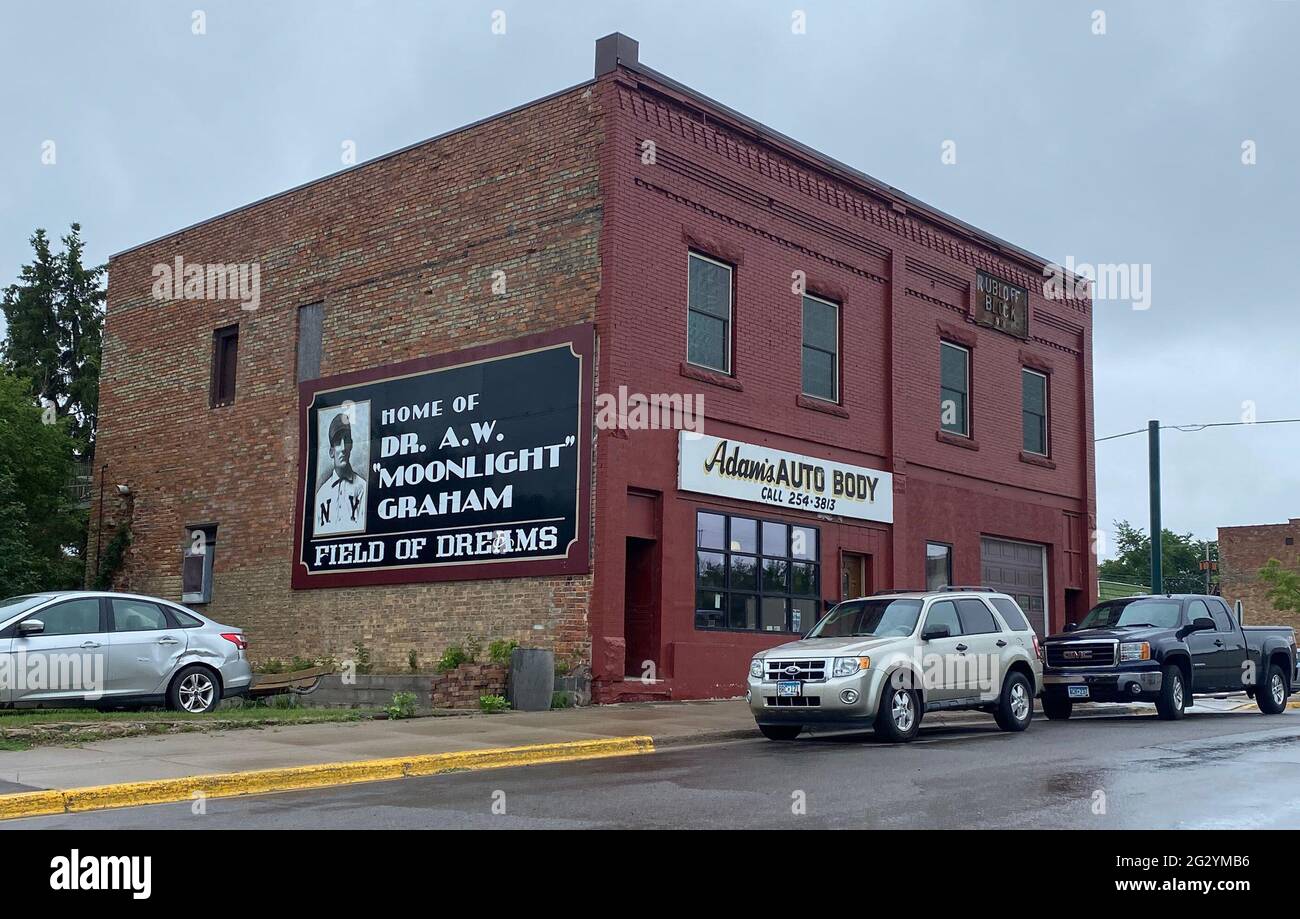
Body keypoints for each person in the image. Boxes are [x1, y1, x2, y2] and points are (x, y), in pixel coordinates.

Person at [314, 412, 367, 536]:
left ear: (351, 445)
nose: (343, 448)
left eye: (346, 440)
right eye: (338, 442)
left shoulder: (363, 488)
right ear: (331, 452)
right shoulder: (321, 495)